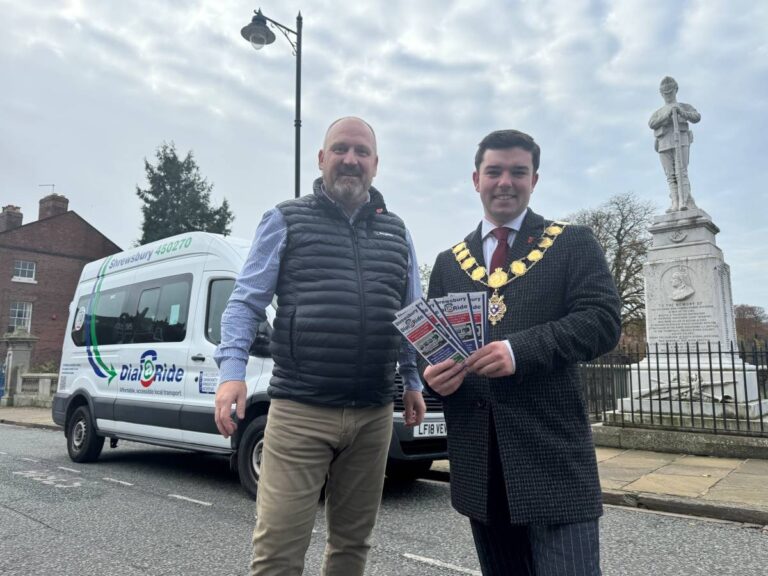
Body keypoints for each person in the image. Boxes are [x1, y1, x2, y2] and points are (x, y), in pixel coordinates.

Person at [213, 116, 426, 576]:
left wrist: (411, 380)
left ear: (376, 164)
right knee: (278, 552)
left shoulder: (399, 232)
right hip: (298, 412)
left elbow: (411, 314)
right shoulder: (285, 219)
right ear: (322, 158)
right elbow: (245, 303)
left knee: (352, 547)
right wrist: (231, 373)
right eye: (341, 149)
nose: (351, 160)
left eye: (361, 152)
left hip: (372, 416)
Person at [423, 129, 621, 575]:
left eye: (518, 172)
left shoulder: (572, 242)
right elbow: (431, 347)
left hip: (553, 463)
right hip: (481, 469)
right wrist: (430, 374)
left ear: (535, 180)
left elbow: (603, 321)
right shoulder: (449, 263)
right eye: (494, 171)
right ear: (476, 179)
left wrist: (519, 351)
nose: (505, 182)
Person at [648, 76, 701, 213]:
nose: (668, 95)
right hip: (663, 143)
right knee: (670, 175)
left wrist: (681, 112)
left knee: (681, 172)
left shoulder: (684, 106)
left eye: (670, 92)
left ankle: (685, 200)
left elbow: (696, 117)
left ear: (676, 90)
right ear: (661, 93)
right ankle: (675, 201)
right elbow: (651, 123)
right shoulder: (658, 112)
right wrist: (666, 116)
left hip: (681, 139)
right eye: (665, 93)